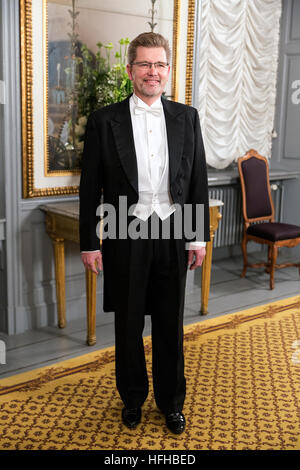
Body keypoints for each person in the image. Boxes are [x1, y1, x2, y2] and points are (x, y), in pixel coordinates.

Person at [79, 32, 210, 435]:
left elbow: (197, 180)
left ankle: (172, 403)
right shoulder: (105, 120)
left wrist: (197, 236)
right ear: (130, 69)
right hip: (124, 232)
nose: (152, 72)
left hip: (173, 232)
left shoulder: (187, 117)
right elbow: (90, 186)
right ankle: (133, 398)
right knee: (129, 323)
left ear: (168, 71)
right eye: (144, 64)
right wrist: (89, 241)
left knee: (170, 324)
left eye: (160, 65)